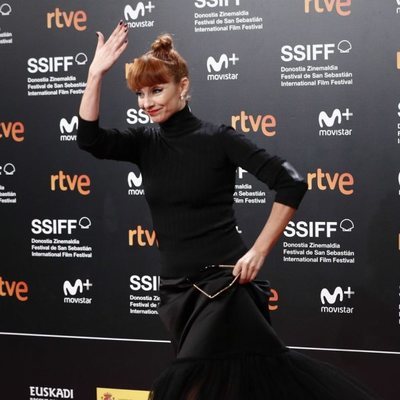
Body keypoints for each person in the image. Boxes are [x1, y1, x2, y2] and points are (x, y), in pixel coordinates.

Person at [77, 22, 379, 400]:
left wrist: (258, 251)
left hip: (225, 287)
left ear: (182, 86)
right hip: (177, 294)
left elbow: (291, 183)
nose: (147, 101)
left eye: (157, 90)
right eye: (140, 94)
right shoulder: (144, 143)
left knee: (186, 388)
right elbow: (88, 139)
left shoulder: (217, 138)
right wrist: (95, 74)